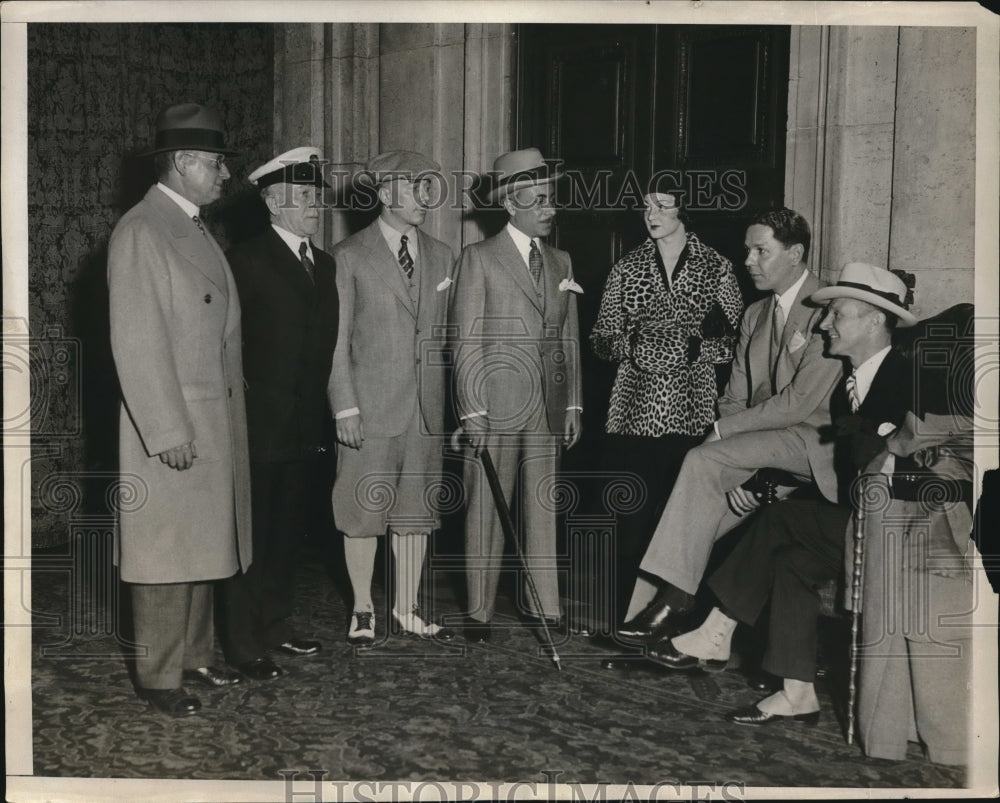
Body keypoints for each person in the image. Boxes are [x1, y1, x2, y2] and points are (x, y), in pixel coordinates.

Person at [653, 263, 917, 727]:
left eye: (837, 314)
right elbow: (837, 470)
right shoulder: (846, 391)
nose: (824, 324)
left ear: (875, 320)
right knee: (790, 560)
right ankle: (797, 693)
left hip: (901, 527)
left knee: (779, 523)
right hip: (856, 522)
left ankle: (716, 632)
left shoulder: (908, 379)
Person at [620, 208, 843, 642]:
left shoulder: (827, 310)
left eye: (761, 250)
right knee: (692, 505)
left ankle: (672, 604)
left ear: (795, 253)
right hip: (761, 443)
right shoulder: (755, 314)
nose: (748, 260)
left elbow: (797, 405)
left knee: (701, 461)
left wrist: (730, 448)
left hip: (815, 447)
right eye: (747, 250)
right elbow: (733, 399)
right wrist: (735, 460)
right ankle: (644, 619)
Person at [107, 103, 251, 716]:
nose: (224, 175)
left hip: (210, 419)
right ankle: (158, 677)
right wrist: (165, 428)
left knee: (200, 544)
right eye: (216, 164)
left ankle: (193, 657)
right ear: (185, 164)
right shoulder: (143, 230)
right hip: (173, 423)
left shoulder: (188, 225)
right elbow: (136, 341)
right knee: (165, 552)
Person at [590, 192, 743, 628]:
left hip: (691, 413)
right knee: (629, 519)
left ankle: (674, 621)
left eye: (663, 205)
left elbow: (732, 343)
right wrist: (632, 345)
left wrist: (696, 347)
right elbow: (601, 338)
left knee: (679, 523)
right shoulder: (627, 266)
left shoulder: (717, 268)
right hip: (631, 414)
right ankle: (623, 618)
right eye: (646, 206)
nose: (651, 215)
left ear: (686, 210)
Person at [452, 147, 582, 642]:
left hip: (547, 406)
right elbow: (465, 340)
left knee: (541, 504)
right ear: (512, 204)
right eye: (542, 200)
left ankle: (544, 604)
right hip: (496, 404)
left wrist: (573, 403)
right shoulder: (478, 259)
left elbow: (567, 336)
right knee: (487, 506)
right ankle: (480, 610)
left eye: (552, 200)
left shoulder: (560, 259)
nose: (551, 209)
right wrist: (472, 410)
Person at [219, 147, 339, 680]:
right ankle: (242, 643)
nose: (317, 205)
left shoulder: (325, 263)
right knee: (252, 534)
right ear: (272, 202)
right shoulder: (244, 260)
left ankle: (276, 625)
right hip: (257, 423)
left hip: (305, 425)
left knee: (289, 530)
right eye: (305, 197)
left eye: (318, 196)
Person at [329, 151, 456, 645]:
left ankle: (406, 607)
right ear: (385, 195)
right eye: (415, 186)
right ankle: (363, 608)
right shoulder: (349, 255)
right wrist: (344, 405)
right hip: (369, 408)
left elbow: (451, 337)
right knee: (363, 511)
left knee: (415, 513)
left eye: (429, 186)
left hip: (425, 411)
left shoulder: (444, 255)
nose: (426, 196)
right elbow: (336, 340)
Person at [851, 304, 978, 765]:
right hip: (927, 494)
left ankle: (944, 737)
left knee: (931, 584)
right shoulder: (955, 331)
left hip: (959, 509)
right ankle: (890, 729)